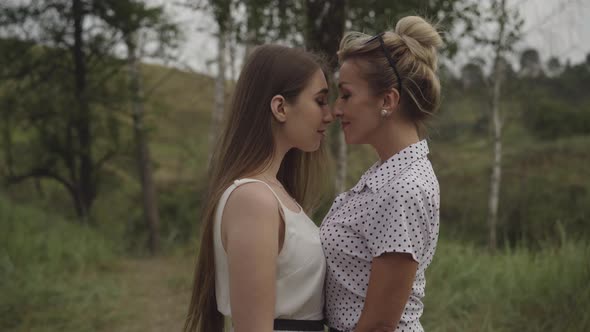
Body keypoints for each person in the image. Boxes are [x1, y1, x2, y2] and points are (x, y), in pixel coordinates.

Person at [183, 44, 333, 332]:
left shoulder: (275, 193)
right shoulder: (254, 200)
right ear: (280, 107)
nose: (329, 115)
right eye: (320, 101)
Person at [320, 16, 442, 332]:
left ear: (387, 100)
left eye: (346, 94)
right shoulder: (388, 176)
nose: (336, 109)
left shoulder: (405, 187)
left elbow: (377, 325)